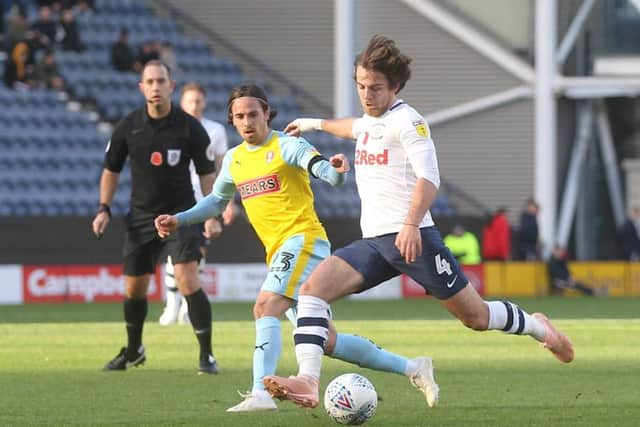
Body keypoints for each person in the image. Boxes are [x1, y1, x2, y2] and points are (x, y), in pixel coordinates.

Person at [262, 35, 574, 409]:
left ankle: (538, 326)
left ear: (395, 86)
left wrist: (410, 225)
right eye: (361, 86)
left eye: (375, 87)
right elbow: (354, 126)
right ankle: (308, 381)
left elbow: (429, 178)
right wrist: (313, 124)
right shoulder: (371, 121)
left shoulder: (409, 123)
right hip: (376, 242)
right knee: (311, 290)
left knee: (475, 317)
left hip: (415, 238)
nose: (367, 94)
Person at [154, 83, 439, 412]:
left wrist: (335, 171)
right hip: (280, 251)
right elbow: (217, 201)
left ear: (266, 114)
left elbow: (323, 172)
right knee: (326, 340)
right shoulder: (234, 160)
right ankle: (414, 368)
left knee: (264, 306)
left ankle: (260, 393)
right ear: (232, 121)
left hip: (304, 240)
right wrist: (180, 219)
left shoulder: (287, 145)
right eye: (239, 116)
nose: (247, 122)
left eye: (253, 114)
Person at [92, 60, 219, 375]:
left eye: (161, 80)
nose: (155, 87)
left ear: (171, 86)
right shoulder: (128, 126)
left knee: (188, 279)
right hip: (140, 218)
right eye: (149, 81)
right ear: (142, 87)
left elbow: (207, 174)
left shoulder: (190, 127)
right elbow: (111, 169)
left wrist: (211, 213)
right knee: (134, 289)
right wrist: (104, 208)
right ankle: (134, 350)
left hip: (182, 215)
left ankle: (207, 355)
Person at [158, 82, 231, 326]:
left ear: (205, 102)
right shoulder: (171, 127)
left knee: (198, 252)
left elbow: (222, 167)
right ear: (182, 102)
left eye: (198, 101)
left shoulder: (215, 130)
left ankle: (188, 304)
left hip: (204, 199)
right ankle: (172, 303)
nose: (194, 105)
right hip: (175, 196)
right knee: (174, 252)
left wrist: (226, 200)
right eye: (190, 101)